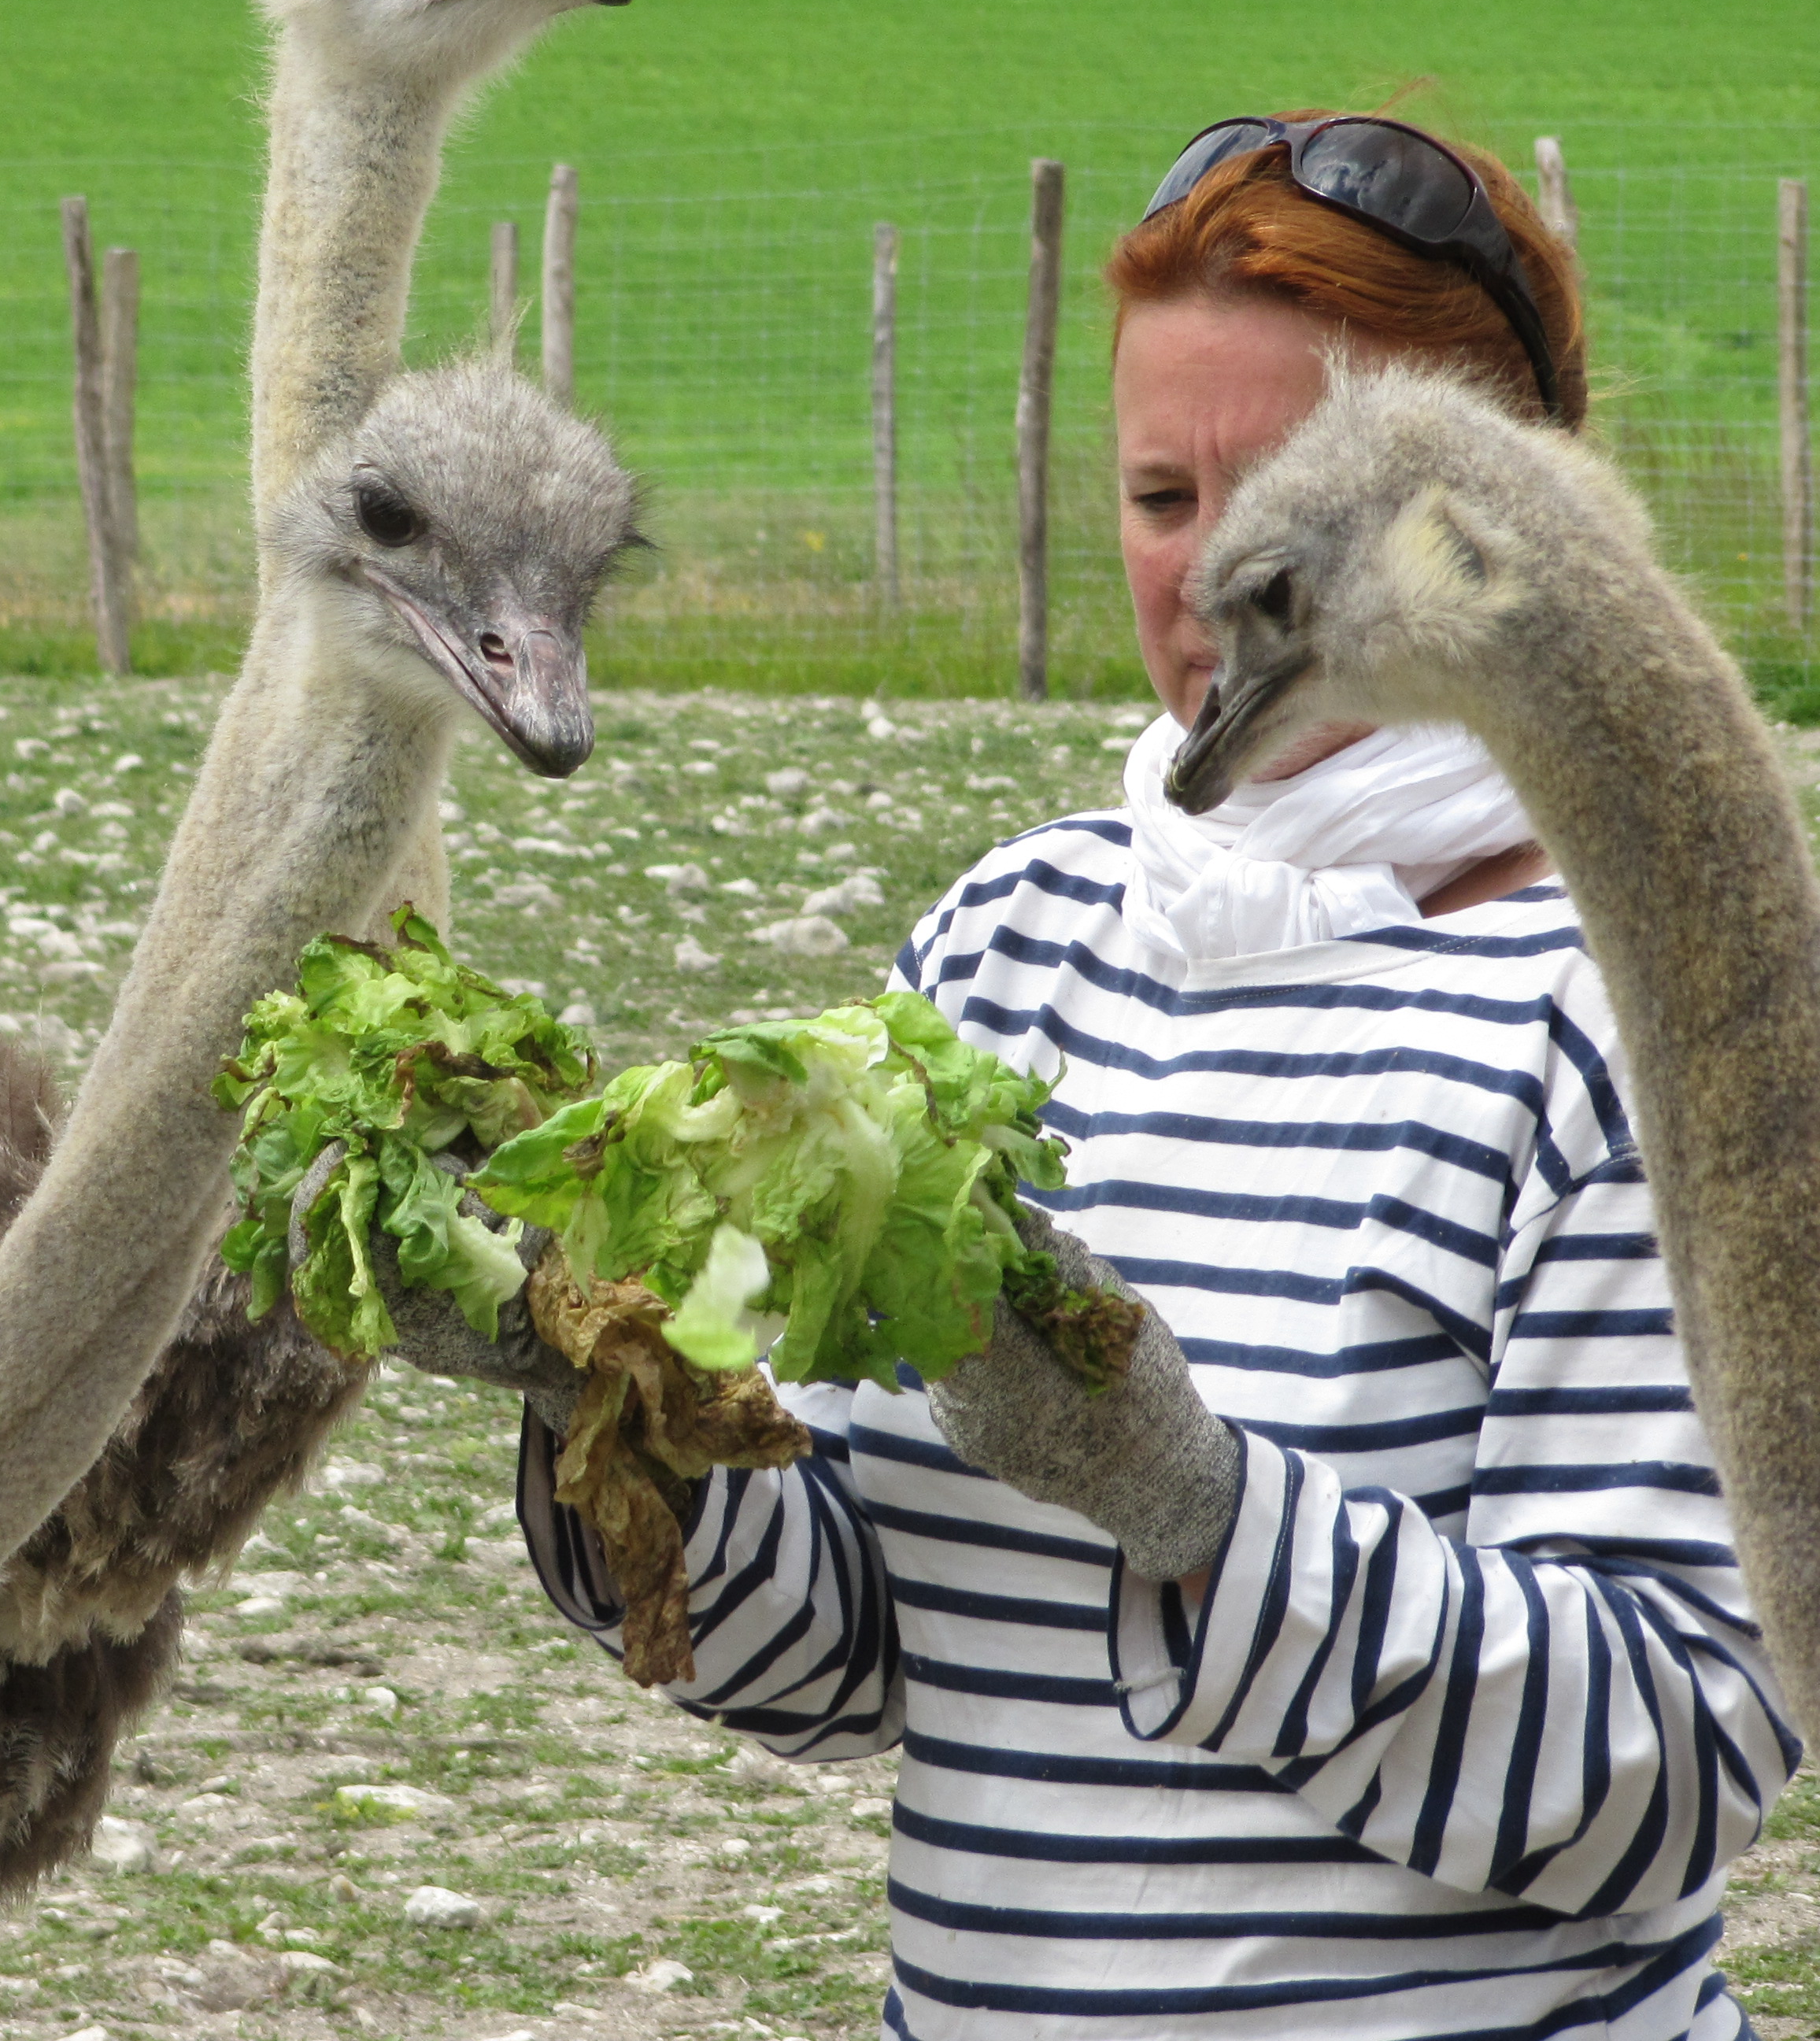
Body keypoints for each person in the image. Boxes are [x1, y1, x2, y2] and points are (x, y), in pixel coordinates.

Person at [395, 116, 1796, 2041]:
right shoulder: (1014, 943)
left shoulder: (1635, 1015)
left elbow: (1661, 1760)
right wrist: (597, 1382)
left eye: (1269, 524)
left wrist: (1203, 1512)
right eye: (1156, 495)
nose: (1197, 574)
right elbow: (847, 1652)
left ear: (1487, 527)